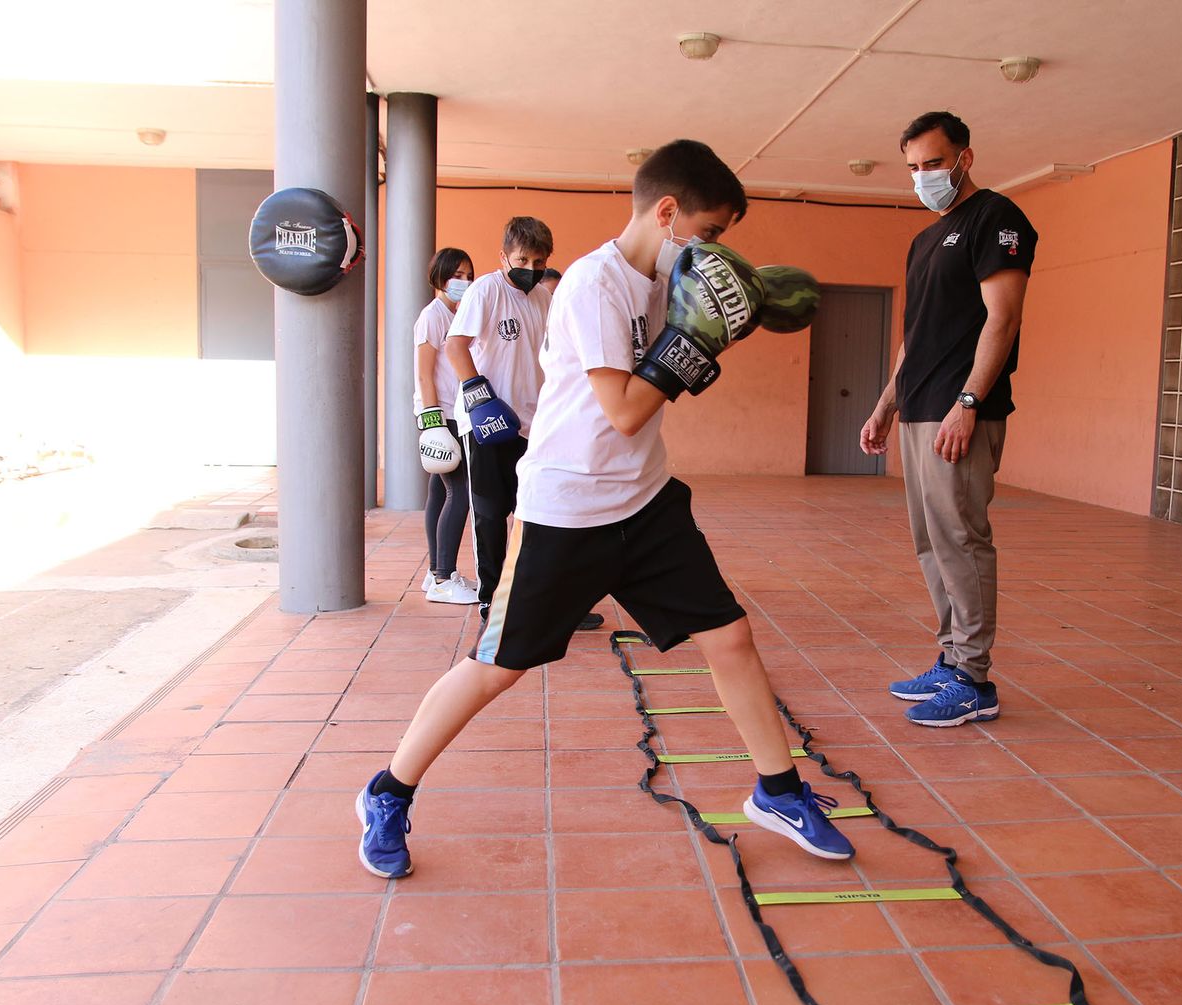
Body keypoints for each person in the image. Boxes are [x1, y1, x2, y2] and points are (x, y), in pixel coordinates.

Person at [355, 139, 855, 879]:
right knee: (497, 668)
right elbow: (623, 408)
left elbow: (652, 400)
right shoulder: (595, 285)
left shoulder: (666, 281)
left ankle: (777, 790)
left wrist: (729, 320)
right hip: (566, 510)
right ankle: (387, 791)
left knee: (731, 638)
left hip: (646, 501)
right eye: (709, 232)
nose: (714, 251)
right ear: (667, 211)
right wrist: (690, 348)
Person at [860, 111, 1037, 728]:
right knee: (930, 540)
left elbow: (1002, 318)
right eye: (913, 168)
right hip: (919, 410)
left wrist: (968, 403)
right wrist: (887, 404)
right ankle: (951, 656)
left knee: (962, 539)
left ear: (964, 157)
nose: (923, 177)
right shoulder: (925, 239)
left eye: (933, 163)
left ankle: (974, 679)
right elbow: (915, 337)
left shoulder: (997, 218)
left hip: (959, 412)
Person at [441, 218, 602, 631]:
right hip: (489, 424)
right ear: (503, 257)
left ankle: (549, 601)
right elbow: (456, 345)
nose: (530, 267)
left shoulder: (543, 300)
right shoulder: (486, 291)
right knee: (492, 516)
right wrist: (479, 396)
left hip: (535, 424)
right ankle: (494, 604)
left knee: (546, 514)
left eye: (539, 260)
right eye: (522, 259)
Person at [414, 247, 480, 604]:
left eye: (468, 275)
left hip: (456, 412)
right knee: (461, 491)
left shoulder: (458, 313)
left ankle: (434, 572)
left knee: (439, 493)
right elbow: (424, 375)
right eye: (457, 275)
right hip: (441, 415)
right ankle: (443, 577)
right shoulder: (432, 316)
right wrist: (433, 423)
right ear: (439, 277)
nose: (464, 282)